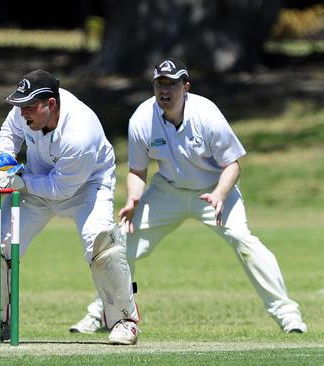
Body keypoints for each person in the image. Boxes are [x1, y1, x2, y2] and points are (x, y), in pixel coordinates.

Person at [69, 58, 307, 335]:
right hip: (167, 191)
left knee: (244, 241)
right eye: (159, 84)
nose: (164, 90)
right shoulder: (142, 119)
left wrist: (219, 194)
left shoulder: (207, 115)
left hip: (214, 191)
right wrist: (133, 200)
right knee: (121, 242)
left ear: (186, 87)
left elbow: (233, 165)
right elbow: (137, 170)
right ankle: (104, 314)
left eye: (171, 84)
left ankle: (288, 316)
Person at [0, 70, 140, 345]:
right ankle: (0, 320)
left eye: (31, 108)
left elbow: (62, 189)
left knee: (101, 243)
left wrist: (18, 181)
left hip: (86, 186)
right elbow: (10, 133)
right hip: (35, 183)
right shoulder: (26, 110)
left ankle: (124, 320)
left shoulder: (79, 132)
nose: (24, 114)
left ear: (51, 104)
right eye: (21, 107)